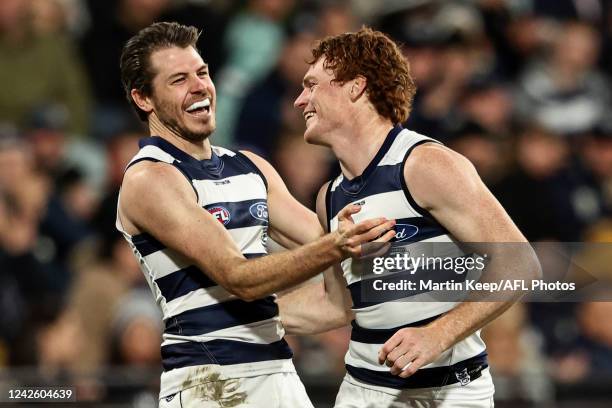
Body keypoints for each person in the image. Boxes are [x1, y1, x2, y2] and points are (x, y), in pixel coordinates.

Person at [116, 22, 396, 407]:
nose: (199, 86)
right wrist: (338, 243)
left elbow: (334, 249)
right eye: (178, 80)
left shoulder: (250, 166)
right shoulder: (150, 177)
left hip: (279, 373)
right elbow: (240, 278)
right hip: (209, 382)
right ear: (143, 98)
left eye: (202, 73)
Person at [281, 27, 538, 407]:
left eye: (312, 85)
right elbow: (337, 305)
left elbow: (519, 263)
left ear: (355, 87)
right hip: (363, 392)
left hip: (450, 392)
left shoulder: (425, 164)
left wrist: (437, 335)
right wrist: (231, 313)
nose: (300, 100)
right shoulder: (329, 196)